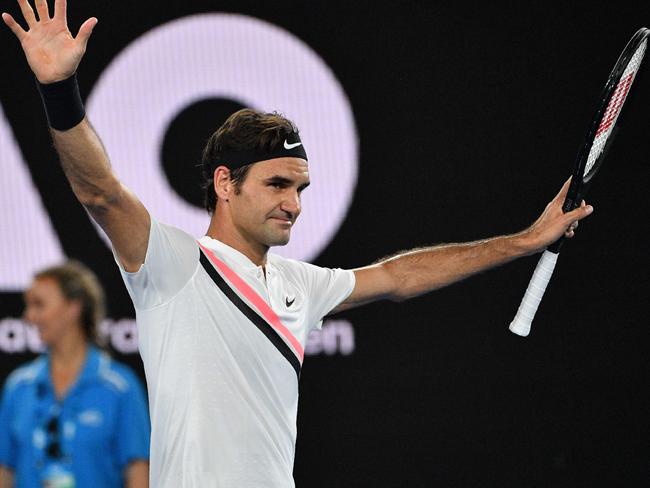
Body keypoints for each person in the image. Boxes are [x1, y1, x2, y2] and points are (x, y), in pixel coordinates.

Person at [2, 1, 593, 486]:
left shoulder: (298, 284)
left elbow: (400, 276)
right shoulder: (173, 263)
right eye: (278, 184)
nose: (294, 203)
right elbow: (101, 194)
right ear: (224, 184)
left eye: (302, 187)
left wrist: (521, 242)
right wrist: (59, 90)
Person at [0, 261, 150, 487]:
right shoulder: (18, 386)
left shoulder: (119, 387)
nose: (28, 316)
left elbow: (138, 472)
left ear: (74, 307)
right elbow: (5, 470)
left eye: (39, 305)